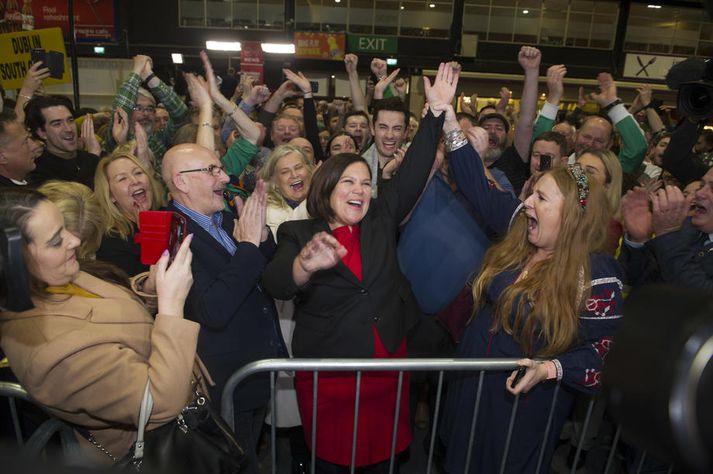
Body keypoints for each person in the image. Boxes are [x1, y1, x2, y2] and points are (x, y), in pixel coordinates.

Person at [261, 62, 457, 472]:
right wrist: (303, 265)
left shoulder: (380, 219)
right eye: (349, 182)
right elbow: (277, 282)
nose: (360, 190)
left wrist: (435, 113)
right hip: (332, 371)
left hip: (386, 361)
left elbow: (415, 170)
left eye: (366, 182)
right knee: (335, 457)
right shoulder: (299, 232)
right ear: (327, 187)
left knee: (384, 453)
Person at [439, 106, 623, 473]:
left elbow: (605, 357)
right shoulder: (522, 232)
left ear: (571, 215)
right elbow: (478, 186)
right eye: (532, 194)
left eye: (541, 198)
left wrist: (552, 368)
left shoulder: (597, 275)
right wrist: (447, 119)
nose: (526, 203)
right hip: (472, 386)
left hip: (522, 402)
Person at [0, 188, 201, 465]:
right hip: (158, 453)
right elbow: (159, 403)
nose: (75, 239)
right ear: (14, 264)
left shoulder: (52, 278)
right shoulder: (50, 356)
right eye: (57, 240)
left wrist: (149, 290)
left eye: (66, 228)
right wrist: (172, 308)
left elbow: (110, 318)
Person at [162, 143, 285, 474]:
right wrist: (247, 247)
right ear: (182, 181)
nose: (225, 176)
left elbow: (263, 278)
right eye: (212, 170)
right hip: (223, 384)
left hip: (255, 369)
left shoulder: (227, 217)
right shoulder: (164, 230)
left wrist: (261, 239)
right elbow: (210, 310)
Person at [94, 151, 166, 276]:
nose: (135, 180)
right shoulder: (110, 243)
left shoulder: (169, 215)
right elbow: (144, 289)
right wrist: (148, 235)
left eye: (138, 172)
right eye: (122, 178)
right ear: (110, 195)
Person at [24, 95, 102, 189]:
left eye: (70, 120)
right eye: (57, 124)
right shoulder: (38, 171)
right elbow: (73, 199)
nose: (69, 129)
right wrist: (93, 156)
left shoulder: (89, 156)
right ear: (42, 132)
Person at [0, 109, 42, 187]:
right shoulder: (8, 197)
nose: (34, 146)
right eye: (25, 142)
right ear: (2, 157)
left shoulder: (39, 179)